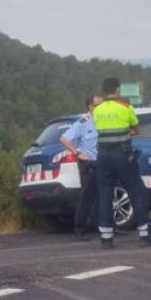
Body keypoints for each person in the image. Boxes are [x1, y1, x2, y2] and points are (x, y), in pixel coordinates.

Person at [92, 77, 151, 249]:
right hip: (122, 155)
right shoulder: (125, 107)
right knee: (137, 191)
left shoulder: (97, 110)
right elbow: (136, 128)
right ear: (118, 90)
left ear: (105, 90)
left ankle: (106, 238)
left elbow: (98, 128)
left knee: (105, 194)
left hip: (102, 155)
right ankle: (145, 234)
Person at [60, 94, 103, 240]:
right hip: (88, 163)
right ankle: (80, 228)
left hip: (102, 162)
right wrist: (77, 152)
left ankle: (104, 227)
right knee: (87, 197)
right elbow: (64, 139)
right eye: (97, 105)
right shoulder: (83, 122)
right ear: (90, 106)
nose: (100, 108)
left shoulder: (104, 120)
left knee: (103, 196)